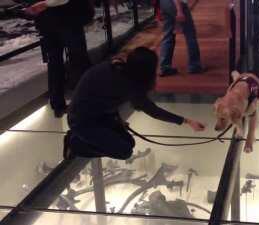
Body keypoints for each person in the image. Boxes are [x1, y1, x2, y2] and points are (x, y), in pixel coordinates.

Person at [63, 47, 206, 160]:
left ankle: (86, 138)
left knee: (129, 143)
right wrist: (187, 121)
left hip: (98, 114)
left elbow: (103, 97)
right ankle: (75, 143)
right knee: (124, 152)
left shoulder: (119, 68)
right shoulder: (127, 84)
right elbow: (154, 111)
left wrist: (116, 120)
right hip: (82, 121)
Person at [25, 0, 93, 117]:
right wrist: (45, 4)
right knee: (79, 61)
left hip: (47, 21)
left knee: (55, 63)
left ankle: (58, 104)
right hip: (68, 19)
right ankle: (84, 103)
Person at [159, 0, 202, 76]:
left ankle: (165, 67)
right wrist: (179, 10)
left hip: (164, 3)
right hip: (176, 3)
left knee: (168, 35)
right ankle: (194, 65)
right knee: (190, 33)